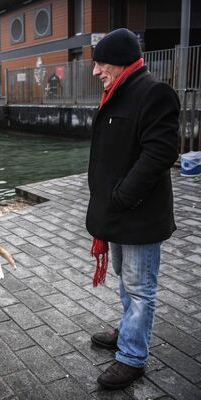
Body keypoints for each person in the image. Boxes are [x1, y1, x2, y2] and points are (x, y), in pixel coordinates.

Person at [86, 29, 180, 390]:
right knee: (127, 284)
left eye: (100, 64)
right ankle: (128, 331)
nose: (96, 72)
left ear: (121, 62)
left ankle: (132, 357)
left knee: (140, 289)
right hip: (118, 214)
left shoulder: (153, 93)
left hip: (139, 215)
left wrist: (123, 196)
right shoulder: (117, 91)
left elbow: (160, 153)